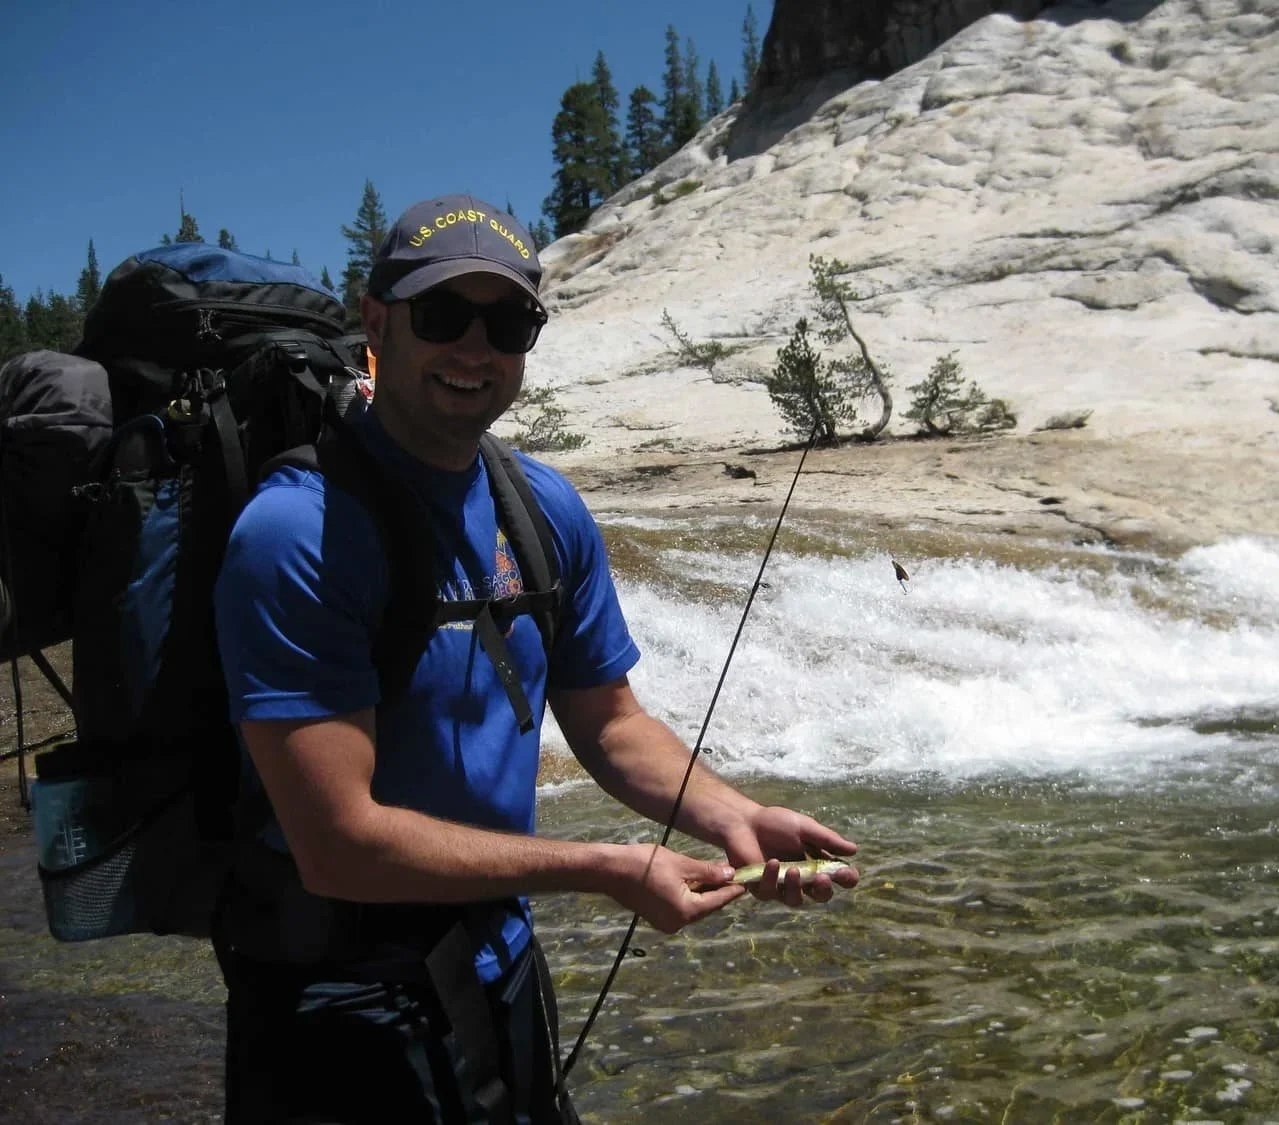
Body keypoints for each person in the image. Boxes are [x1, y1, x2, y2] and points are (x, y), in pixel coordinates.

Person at [211, 193, 859, 1125]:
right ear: (376, 322)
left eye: (508, 323)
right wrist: (602, 866)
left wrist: (737, 816)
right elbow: (338, 843)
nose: (475, 349)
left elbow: (613, 722)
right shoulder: (295, 534)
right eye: (443, 315)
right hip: (337, 1003)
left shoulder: (543, 509)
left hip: (502, 968)